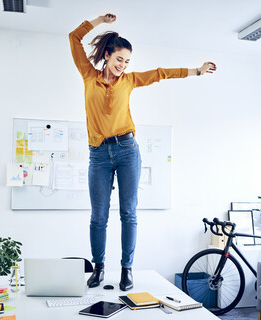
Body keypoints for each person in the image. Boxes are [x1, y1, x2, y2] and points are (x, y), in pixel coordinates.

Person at [69, 13, 216, 291]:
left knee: (129, 213)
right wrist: (99, 21)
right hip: (98, 153)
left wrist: (197, 71)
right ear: (107, 55)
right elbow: (73, 38)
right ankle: (98, 268)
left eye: (127, 62)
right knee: (98, 215)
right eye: (119, 60)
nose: (123, 66)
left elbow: (161, 73)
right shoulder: (88, 74)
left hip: (127, 150)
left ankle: (127, 269)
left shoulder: (130, 80)